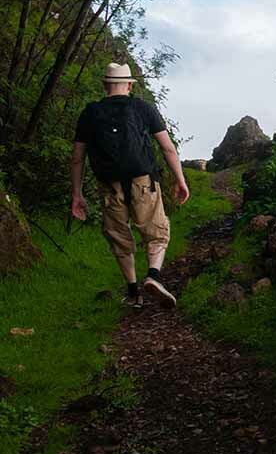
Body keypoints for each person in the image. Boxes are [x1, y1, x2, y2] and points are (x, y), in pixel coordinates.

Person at [69, 62, 190, 308]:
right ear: (129, 84)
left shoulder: (90, 113)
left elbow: (77, 157)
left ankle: (134, 292)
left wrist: (77, 194)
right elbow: (167, 148)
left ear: (105, 85)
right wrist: (180, 180)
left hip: (109, 186)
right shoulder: (143, 108)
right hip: (143, 182)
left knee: (119, 239)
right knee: (157, 233)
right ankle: (154, 276)